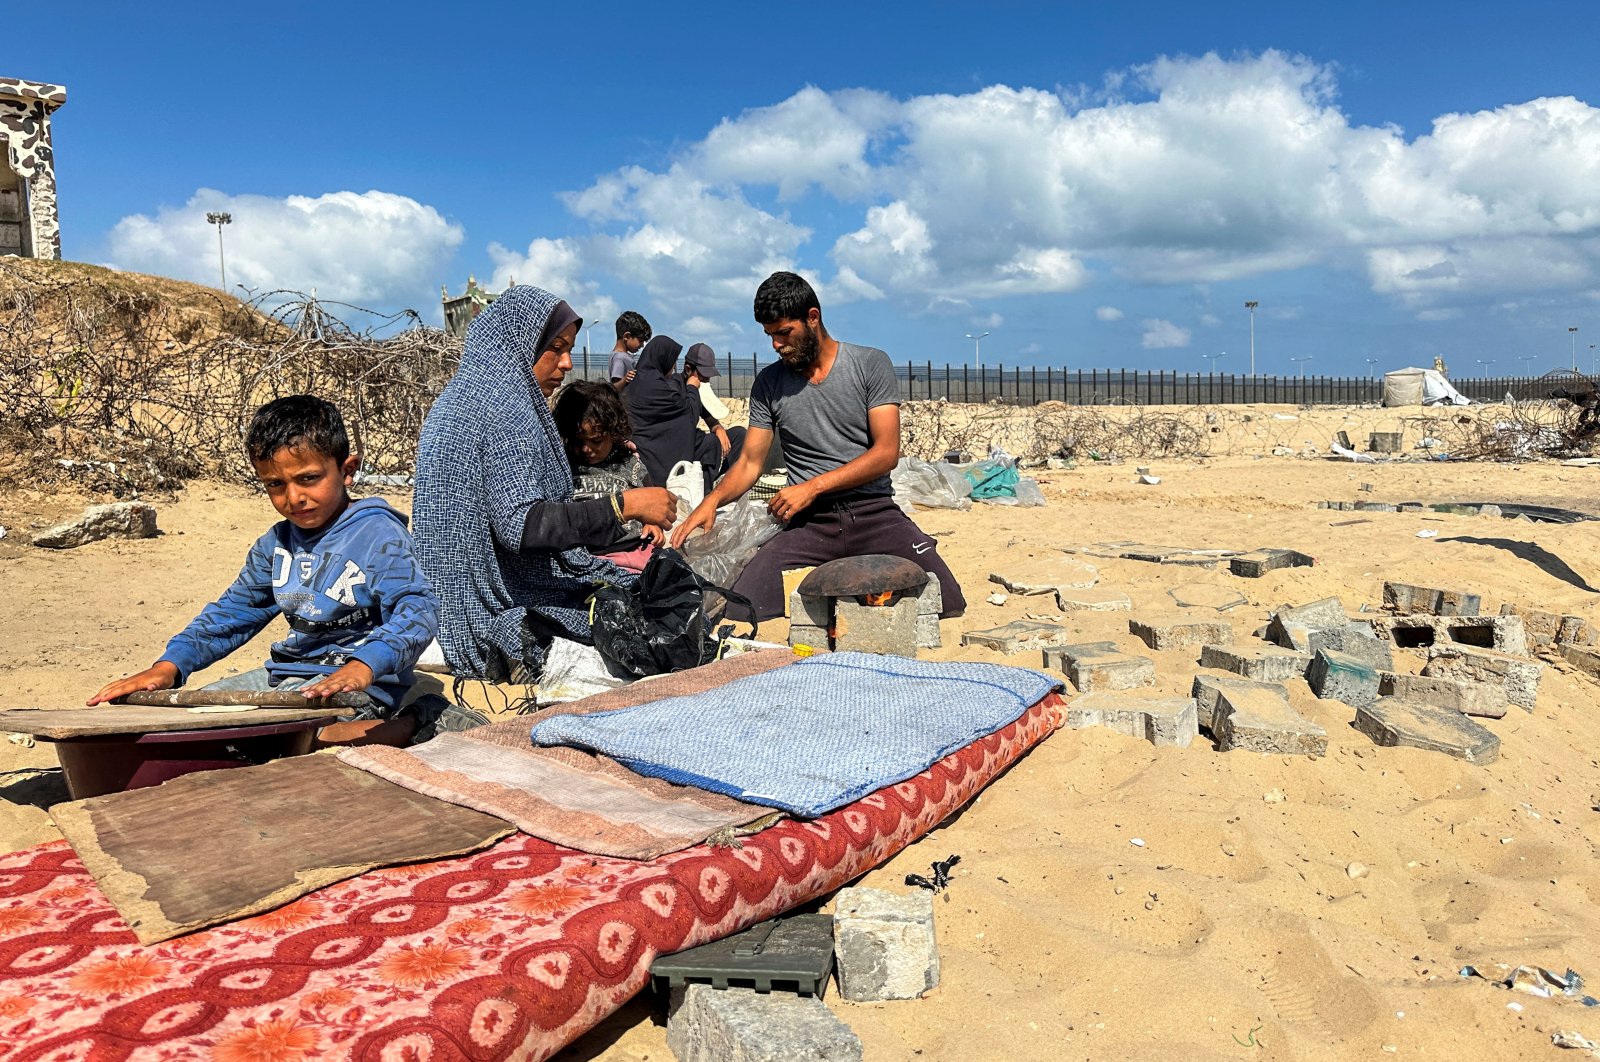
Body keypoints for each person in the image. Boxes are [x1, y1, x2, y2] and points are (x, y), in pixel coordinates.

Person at [87, 395, 441, 747]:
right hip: (285, 677)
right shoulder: (275, 544)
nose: (293, 497)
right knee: (186, 720)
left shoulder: (378, 535)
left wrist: (365, 665)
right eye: (275, 484)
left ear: (347, 470)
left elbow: (418, 610)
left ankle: (421, 717)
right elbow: (233, 612)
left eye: (308, 478)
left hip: (363, 685)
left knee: (302, 743)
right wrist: (168, 666)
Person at [412, 286, 676, 682]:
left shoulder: (466, 395)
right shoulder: (505, 408)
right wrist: (624, 506)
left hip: (441, 599)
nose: (567, 362)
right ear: (519, 343)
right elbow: (520, 523)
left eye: (568, 348)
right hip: (477, 608)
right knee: (640, 610)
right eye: (556, 347)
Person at [672, 271, 966, 622]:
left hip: (874, 513)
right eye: (770, 335)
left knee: (948, 600)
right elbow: (750, 462)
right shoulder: (769, 383)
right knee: (743, 607)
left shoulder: (870, 364)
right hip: (810, 524)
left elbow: (886, 453)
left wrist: (812, 487)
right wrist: (712, 501)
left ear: (813, 318)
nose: (777, 345)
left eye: (784, 333)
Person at [554, 380, 660, 568]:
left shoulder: (629, 464)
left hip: (631, 550)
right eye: (578, 441)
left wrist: (652, 524)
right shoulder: (562, 466)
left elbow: (652, 503)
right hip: (581, 556)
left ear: (614, 432)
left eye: (596, 441)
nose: (586, 449)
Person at [683, 342, 745, 481]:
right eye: (703, 375)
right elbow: (686, 424)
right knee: (710, 442)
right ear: (688, 369)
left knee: (739, 434)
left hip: (698, 444)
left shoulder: (701, 388)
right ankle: (705, 489)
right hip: (683, 447)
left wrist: (719, 429)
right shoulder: (676, 389)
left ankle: (726, 481)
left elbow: (710, 418)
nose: (706, 380)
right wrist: (691, 389)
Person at [608, 310, 652, 392]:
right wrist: (625, 380)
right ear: (627, 336)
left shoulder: (623, 356)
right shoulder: (619, 358)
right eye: (640, 340)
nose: (642, 345)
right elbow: (614, 388)